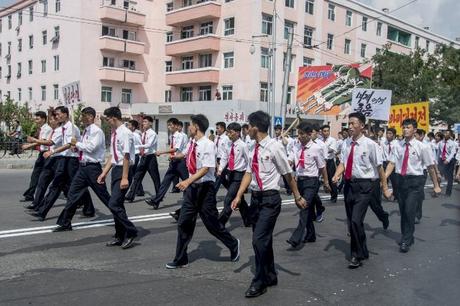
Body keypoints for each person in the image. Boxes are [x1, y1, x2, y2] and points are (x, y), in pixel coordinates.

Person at [231, 111, 306, 298]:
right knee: (264, 240)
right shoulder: (252, 148)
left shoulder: (275, 147)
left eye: (248, 126)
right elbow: (249, 172)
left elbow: (288, 174)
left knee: (258, 240)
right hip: (255, 199)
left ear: (255, 127)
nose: (246, 130)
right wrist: (238, 195)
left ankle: (260, 281)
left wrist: (297, 197)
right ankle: (271, 275)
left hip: (270, 199)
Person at [53, 107, 138, 248]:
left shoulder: (124, 133)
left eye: (108, 118)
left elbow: (126, 156)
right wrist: (104, 173)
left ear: (114, 117)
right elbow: (113, 156)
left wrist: (124, 177)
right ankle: (119, 235)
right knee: (77, 195)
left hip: (118, 169)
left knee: (112, 203)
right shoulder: (114, 133)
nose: (107, 121)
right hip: (100, 168)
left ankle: (130, 231)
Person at [166, 114, 240, 269]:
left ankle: (233, 244)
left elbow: (206, 168)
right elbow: (185, 154)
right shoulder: (192, 142)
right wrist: (169, 154)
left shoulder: (208, 144)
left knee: (212, 225)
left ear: (197, 127)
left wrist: (187, 181)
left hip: (205, 189)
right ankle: (181, 258)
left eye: (190, 125)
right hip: (192, 189)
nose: (188, 128)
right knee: (184, 222)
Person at [332, 112, 390, 269]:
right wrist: (337, 174)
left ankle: (356, 255)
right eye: (348, 124)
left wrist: (385, 188)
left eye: (353, 124)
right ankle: (363, 250)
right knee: (353, 223)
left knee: (356, 220)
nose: (350, 127)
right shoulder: (346, 144)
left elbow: (380, 168)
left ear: (362, 126)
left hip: (365, 186)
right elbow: (343, 163)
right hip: (349, 185)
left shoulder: (371, 145)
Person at [385, 119, 441, 253]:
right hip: (400, 181)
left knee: (410, 210)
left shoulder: (423, 147)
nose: (405, 130)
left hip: (415, 181)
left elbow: (430, 167)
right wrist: (384, 178)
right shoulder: (397, 145)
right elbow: (392, 164)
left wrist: (436, 185)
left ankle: (406, 239)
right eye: (403, 127)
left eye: (408, 127)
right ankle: (408, 236)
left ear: (415, 130)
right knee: (404, 211)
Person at [29, 106, 95, 221]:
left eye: (58, 114)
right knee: (56, 185)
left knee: (77, 186)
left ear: (65, 114)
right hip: (64, 159)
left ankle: (89, 208)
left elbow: (69, 144)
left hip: (72, 160)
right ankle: (42, 211)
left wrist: (52, 152)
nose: (57, 116)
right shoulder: (63, 128)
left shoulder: (72, 128)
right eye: (55, 114)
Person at [287, 121, 330, 248]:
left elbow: (322, 167)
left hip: (312, 181)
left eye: (302, 134)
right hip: (299, 181)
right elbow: (290, 159)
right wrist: (287, 165)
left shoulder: (316, 148)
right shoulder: (296, 147)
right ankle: (311, 235)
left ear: (310, 134)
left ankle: (296, 237)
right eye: (298, 134)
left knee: (304, 207)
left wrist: (326, 182)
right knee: (309, 210)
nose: (299, 137)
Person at [145, 117, 189, 210]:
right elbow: (173, 149)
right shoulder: (171, 136)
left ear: (176, 126)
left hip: (181, 162)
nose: (169, 127)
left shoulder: (181, 136)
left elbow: (175, 149)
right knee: (165, 182)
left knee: (187, 182)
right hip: (173, 162)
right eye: (168, 125)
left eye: (171, 125)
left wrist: (161, 152)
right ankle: (156, 201)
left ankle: (190, 201)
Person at [23, 112, 61, 211]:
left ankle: (82, 200)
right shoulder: (47, 129)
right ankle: (34, 199)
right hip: (45, 154)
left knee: (61, 182)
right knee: (40, 178)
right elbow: (41, 141)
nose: (36, 121)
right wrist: (30, 144)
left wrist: (30, 143)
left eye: (38, 119)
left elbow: (47, 142)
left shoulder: (50, 129)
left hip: (52, 155)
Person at [217, 122, 249, 226]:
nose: (228, 135)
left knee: (229, 198)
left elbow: (249, 161)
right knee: (240, 200)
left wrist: (249, 177)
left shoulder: (243, 146)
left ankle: (220, 222)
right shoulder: (228, 144)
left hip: (239, 175)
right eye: (228, 132)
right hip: (230, 174)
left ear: (237, 133)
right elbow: (224, 158)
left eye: (230, 133)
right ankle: (249, 220)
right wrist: (220, 169)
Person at [125, 116, 161, 202]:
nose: (143, 123)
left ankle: (160, 195)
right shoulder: (144, 133)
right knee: (137, 176)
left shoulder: (152, 133)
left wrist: (136, 146)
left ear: (151, 123)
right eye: (143, 122)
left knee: (155, 178)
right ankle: (130, 195)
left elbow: (148, 145)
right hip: (144, 157)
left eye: (145, 122)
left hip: (151, 158)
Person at [20, 111, 53, 202]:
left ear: (43, 119)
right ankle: (30, 195)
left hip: (47, 154)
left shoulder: (47, 129)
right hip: (42, 154)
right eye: (35, 118)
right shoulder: (41, 128)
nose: (36, 120)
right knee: (35, 175)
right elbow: (39, 141)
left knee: (54, 177)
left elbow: (42, 141)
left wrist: (29, 145)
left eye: (37, 119)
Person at [311, 125, 327, 222]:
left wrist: (323, 177)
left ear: (317, 133)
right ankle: (313, 213)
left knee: (313, 194)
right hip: (308, 174)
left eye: (312, 132)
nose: (310, 134)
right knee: (311, 195)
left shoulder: (321, 145)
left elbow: (323, 161)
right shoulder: (305, 143)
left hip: (317, 173)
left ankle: (319, 210)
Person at [127, 120, 145, 197]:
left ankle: (135, 191)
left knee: (132, 174)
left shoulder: (135, 135)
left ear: (133, 127)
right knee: (135, 174)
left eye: (129, 125)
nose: (128, 127)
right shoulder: (130, 134)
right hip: (133, 156)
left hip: (135, 156)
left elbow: (141, 145)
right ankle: (140, 190)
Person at [321, 125, 338, 202]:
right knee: (321, 178)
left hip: (329, 161)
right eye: (324, 131)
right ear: (322, 132)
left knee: (331, 179)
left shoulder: (332, 140)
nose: (326, 132)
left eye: (328, 131)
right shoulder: (320, 140)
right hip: (321, 161)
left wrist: (323, 149)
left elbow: (331, 149)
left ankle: (334, 196)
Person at [381, 128, 399, 201]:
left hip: (393, 164)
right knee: (384, 179)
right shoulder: (383, 143)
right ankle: (385, 194)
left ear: (394, 135)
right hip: (385, 163)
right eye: (387, 133)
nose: (388, 135)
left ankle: (396, 195)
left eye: (390, 134)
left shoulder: (397, 144)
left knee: (395, 181)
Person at [438, 130, 457, 196]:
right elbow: (439, 153)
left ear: (450, 135)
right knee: (439, 175)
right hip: (441, 160)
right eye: (445, 133)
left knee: (449, 177)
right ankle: (437, 190)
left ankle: (448, 192)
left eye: (447, 133)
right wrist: (437, 161)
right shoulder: (440, 143)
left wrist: (448, 160)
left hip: (450, 161)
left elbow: (452, 153)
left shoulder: (453, 143)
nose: (445, 134)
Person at [214, 122, 230, 191]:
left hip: (223, 160)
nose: (217, 130)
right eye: (216, 128)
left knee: (218, 177)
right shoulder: (216, 138)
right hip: (217, 159)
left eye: (218, 128)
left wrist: (220, 163)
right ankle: (232, 191)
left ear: (223, 129)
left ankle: (211, 196)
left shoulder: (226, 138)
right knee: (222, 179)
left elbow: (226, 152)